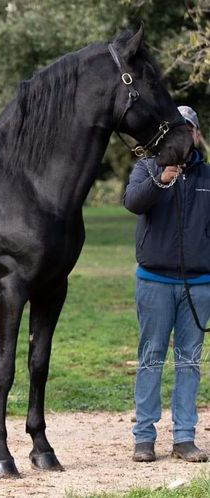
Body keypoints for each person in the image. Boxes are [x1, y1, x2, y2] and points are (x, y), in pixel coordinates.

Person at [123, 105, 210, 463]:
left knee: (189, 361)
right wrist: (161, 180)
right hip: (155, 282)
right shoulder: (147, 168)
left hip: (200, 284)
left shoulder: (208, 176)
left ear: (194, 134)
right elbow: (132, 202)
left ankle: (185, 439)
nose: (180, 135)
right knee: (151, 359)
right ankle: (144, 438)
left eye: (186, 128)